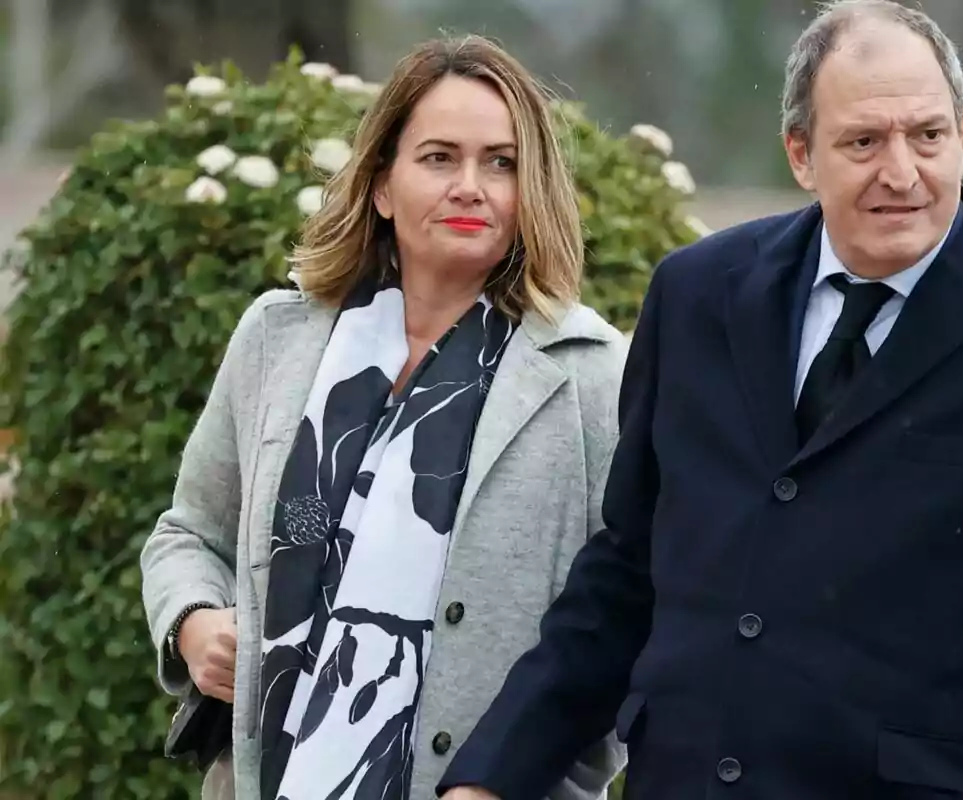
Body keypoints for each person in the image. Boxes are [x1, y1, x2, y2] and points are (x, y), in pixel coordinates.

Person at [435, 2, 963, 799]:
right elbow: (626, 574)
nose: (902, 173)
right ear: (801, 154)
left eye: (928, 135)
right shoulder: (696, 295)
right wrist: (491, 778)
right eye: (864, 142)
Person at [139, 35, 627, 800]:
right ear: (381, 185)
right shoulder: (279, 337)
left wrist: (533, 773)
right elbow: (188, 532)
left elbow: (631, 611)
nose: (471, 186)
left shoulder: (588, 374)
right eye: (439, 158)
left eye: (500, 163)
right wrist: (193, 621)